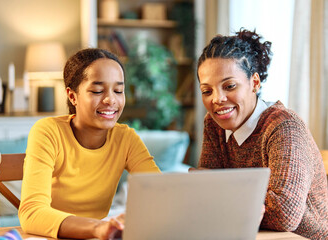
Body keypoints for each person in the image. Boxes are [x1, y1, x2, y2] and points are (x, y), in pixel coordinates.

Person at [193, 29, 328, 239]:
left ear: (254, 82)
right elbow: (203, 192)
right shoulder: (214, 124)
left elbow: (285, 214)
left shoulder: (284, 127)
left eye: (229, 86)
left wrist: (222, 195)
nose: (217, 99)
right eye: (206, 91)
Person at [18, 48, 161, 239]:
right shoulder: (48, 132)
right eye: (97, 90)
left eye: (118, 90)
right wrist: (98, 228)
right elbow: (32, 212)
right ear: (72, 96)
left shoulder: (125, 138)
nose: (111, 99)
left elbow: (161, 193)